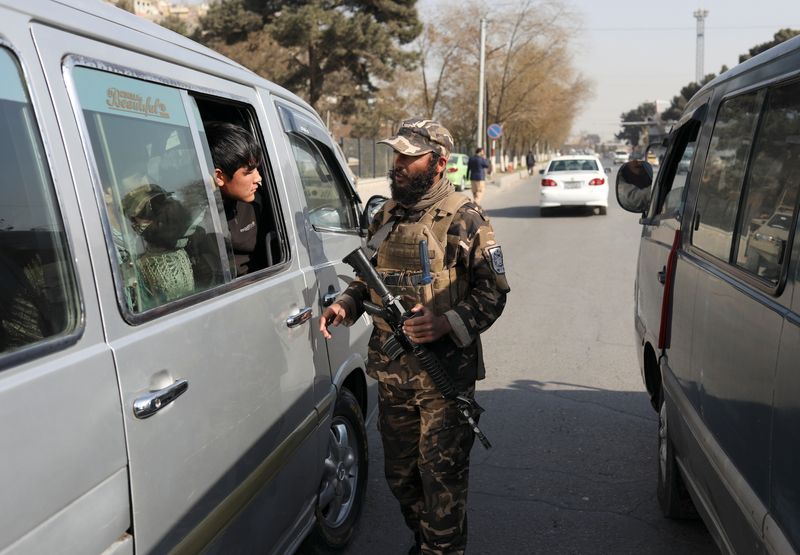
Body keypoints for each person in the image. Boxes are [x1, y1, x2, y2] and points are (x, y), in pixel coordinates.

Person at [319, 118, 510, 555]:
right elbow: (366, 279)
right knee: (401, 476)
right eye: (396, 155)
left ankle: (440, 549)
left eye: (409, 156)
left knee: (442, 481)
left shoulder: (465, 217)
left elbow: (494, 293)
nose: (398, 164)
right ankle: (428, 541)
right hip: (391, 375)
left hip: (443, 376)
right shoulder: (386, 215)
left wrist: (445, 322)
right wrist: (346, 304)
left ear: (438, 163)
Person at [205, 121, 267, 276]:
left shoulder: (257, 203)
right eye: (248, 172)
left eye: (257, 169)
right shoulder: (200, 218)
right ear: (219, 176)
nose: (258, 178)